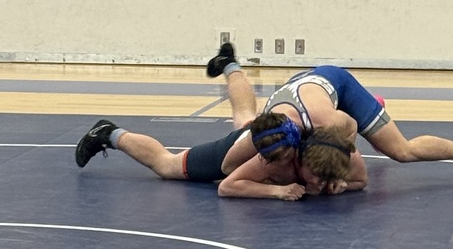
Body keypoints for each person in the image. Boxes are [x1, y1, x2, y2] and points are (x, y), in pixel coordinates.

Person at [203, 43, 453, 182]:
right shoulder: (268, 128)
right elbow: (228, 169)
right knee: (244, 120)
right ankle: (230, 63)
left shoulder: (326, 122)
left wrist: (336, 166)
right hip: (296, 98)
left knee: (400, 151)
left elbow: (349, 130)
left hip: (336, 87)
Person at [75, 62, 369, 200]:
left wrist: (339, 181)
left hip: (277, 131)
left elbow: (357, 167)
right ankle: (110, 133)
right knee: (168, 166)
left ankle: (230, 65)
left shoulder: (334, 147)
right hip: (248, 145)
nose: (318, 181)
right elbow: (228, 174)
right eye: (318, 175)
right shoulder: (265, 153)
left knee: (244, 116)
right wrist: (275, 188)